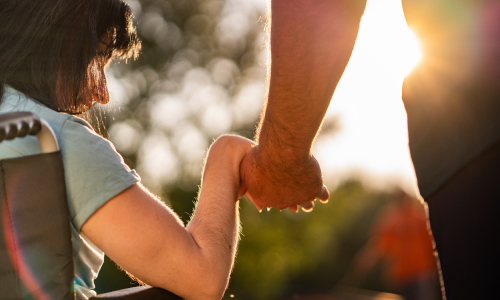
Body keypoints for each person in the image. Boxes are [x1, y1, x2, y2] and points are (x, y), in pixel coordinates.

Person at [240, 0, 500, 299]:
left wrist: (282, 159)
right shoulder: (396, 218)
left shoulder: (411, 216)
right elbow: (380, 246)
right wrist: (365, 263)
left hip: (477, 135)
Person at [0, 1, 252, 299]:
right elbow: (202, 278)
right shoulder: (51, 136)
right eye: (97, 58)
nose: (102, 93)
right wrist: (227, 154)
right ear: (58, 45)